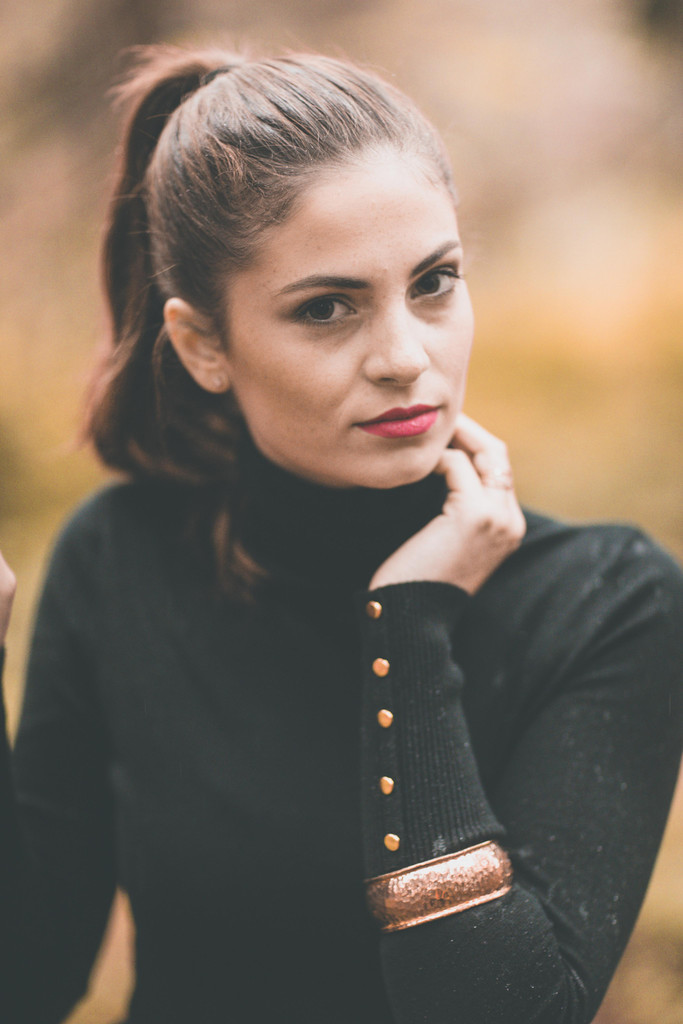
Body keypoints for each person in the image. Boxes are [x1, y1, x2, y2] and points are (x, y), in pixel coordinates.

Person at [0, 43, 681, 1024]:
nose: (404, 357)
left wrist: (408, 624)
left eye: (434, 282)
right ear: (202, 346)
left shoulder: (605, 599)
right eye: (326, 308)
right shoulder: (119, 559)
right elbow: (25, 984)